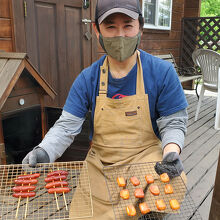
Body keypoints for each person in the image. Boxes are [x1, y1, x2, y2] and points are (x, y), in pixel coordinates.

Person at [22, 0, 188, 219]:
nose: (120, 35)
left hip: (144, 157)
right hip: (103, 164)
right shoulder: (87, 79)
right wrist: (44, 151)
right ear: (96, 29)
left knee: (174, 182)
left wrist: (171, 152)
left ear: (140, 25)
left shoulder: (161, 72)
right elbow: (65, 128)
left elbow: (173, 122)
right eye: (110, 27)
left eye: (128, 25)